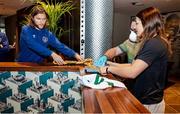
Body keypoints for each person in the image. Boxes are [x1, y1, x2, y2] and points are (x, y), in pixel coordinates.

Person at [99, 7, 172, 113]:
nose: (135, 27)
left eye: (137, 23)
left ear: (147, 23)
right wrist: (108, 63)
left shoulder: (153, 44)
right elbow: (132, 65)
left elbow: (132, 72)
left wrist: (107, 69)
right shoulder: (152, 41)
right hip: (143, 99)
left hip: (148, 103)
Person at [17, 5, 83, 65]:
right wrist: (52, 54)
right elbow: (33, 45)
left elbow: (59, 45)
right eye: (38, 19)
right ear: (33, 18)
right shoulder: (26, 29)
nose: (41, 22)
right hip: (24, 64)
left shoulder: (47, 33)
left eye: (44, 19)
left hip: (39, 65)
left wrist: (74, 54)